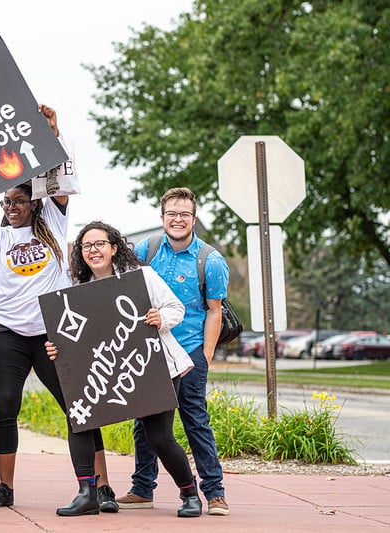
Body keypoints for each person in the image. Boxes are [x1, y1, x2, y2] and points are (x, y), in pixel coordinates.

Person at [0, 104, 118, 516]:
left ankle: (102, 487)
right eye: (6, 201)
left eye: (18, 200)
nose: (11, 206)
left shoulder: (55, 225)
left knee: (79, 406)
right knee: (5, 407)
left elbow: (61, 182)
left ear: (33, 203)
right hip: (6, 332)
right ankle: (4, 487)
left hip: (52, 332)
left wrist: (53, 134)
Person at [46, 221, 201, 517]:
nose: (93, 250)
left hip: (153, 365)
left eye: (100, 244)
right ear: (81, 253)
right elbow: (71, 338)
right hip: (105, 372)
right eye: (87, 246)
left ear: (114, 247)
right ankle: (87, 493)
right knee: (79, 418)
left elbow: (176, 309)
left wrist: (159, 317)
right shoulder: (77, 292)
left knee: (159, 437)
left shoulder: (141, 277)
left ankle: (189, 492)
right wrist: (57, 348)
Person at [118, 187, 231, 516]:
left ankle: (215, 492)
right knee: (145, 422)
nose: (177, 219)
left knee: (195, 419)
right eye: (172, 213)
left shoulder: (210, 260)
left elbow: (214, 310)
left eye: (184, 214)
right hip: (152, 350)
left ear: (193, 219)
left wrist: (205, 356)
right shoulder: (147, 249)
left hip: (190, 349)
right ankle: (142, 489)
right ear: (162, 217)